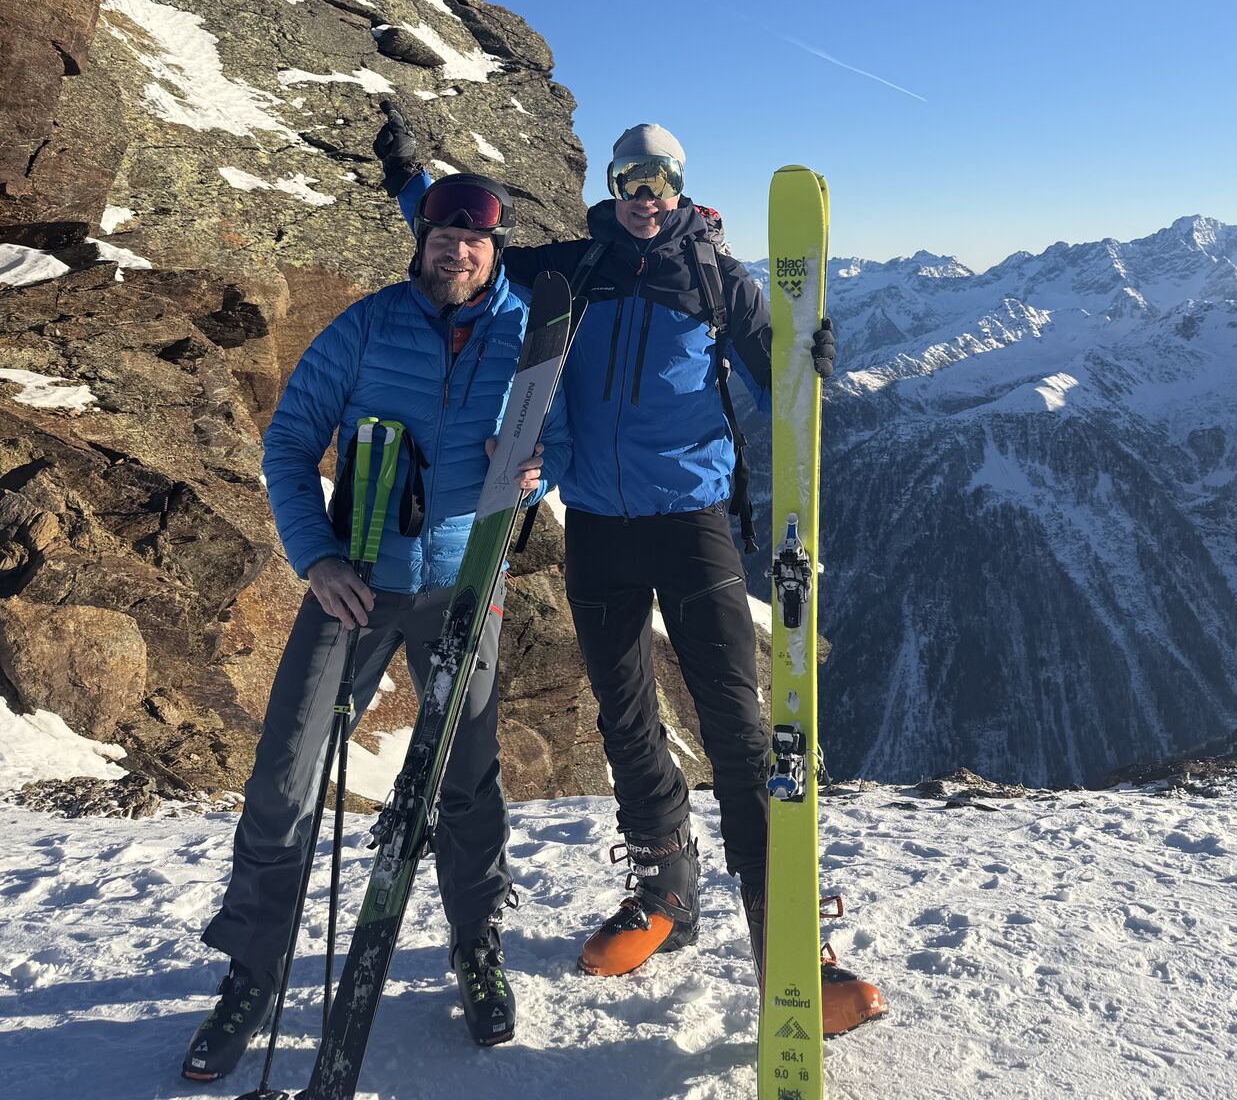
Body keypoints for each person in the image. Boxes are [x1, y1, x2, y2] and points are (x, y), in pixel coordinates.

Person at [377, 113, 884, 1035]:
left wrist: (808, 361)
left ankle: (787, 934)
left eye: (662, 181)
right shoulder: (575, 268)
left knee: (737, 729)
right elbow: (473, 245)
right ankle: (665, 892)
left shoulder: (720, 281)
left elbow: (781, 388)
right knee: (624, 714)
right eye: (632, 180)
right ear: (611, 186)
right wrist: (411, 181)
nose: (647, 197)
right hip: (599, 527)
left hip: (693, 525)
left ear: (681, 188)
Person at [182, 172, 541, 1083]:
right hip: (357, 579)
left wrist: (545, 466)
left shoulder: (529, 336)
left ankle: (475, 943)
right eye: (441, 237)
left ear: (495, 250)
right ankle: (253, 973)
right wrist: (318, 560)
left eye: (473, 240)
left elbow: (565, 437)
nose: (456, 252)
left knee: (466, 780)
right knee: (285, 773)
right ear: (421, 240)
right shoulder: (367, 326)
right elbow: (289, 442)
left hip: (464, 584)